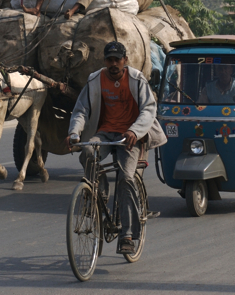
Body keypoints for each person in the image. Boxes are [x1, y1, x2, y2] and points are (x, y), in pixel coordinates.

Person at [67, 41, 167, 255]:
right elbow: (81, 110)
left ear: (125, 60)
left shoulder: (136, 80)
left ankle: (127, 235)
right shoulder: (95, 80)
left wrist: (135, 131)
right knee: (87, 153)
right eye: (109, 60)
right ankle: (100, 192)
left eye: (117, 60)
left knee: (126, 178)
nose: (113, 64)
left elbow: (148, 110)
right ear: (105, 61)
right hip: (104, 133)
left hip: (130, 136)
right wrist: (74, 133)